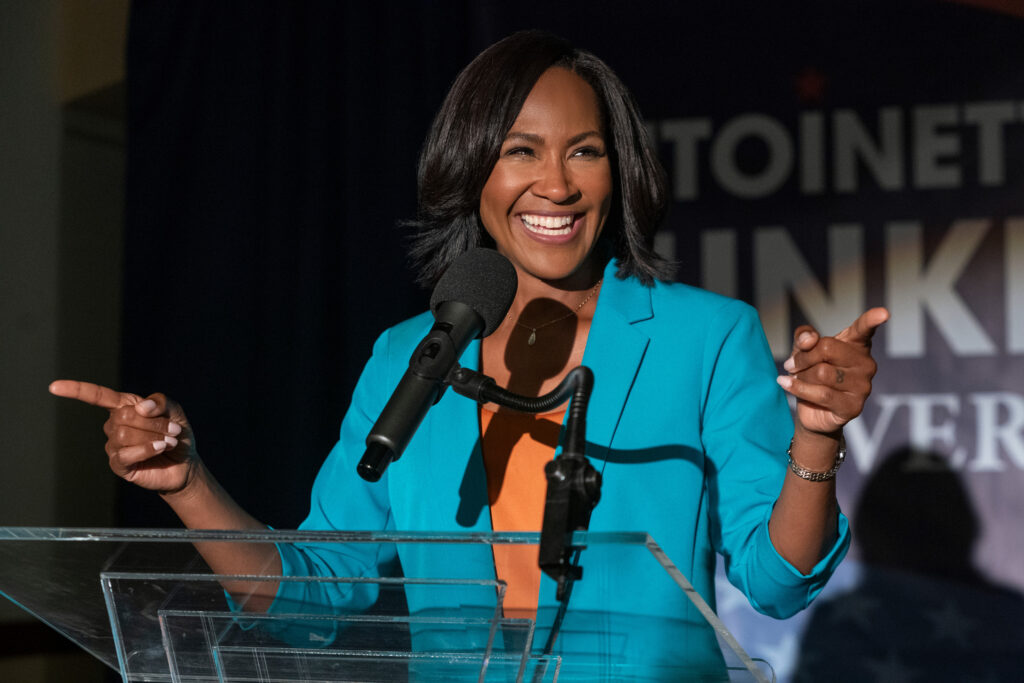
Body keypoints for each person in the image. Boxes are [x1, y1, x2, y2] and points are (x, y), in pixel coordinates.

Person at [51, 30, 887, 677]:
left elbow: (778, 583)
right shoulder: (406, 357)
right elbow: (312, 597)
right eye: (520, 149)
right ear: (471, 168)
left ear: (619, 170)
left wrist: (814, 435)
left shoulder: (705, 336)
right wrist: (189, 482)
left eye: (585, 151)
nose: (555, 184)